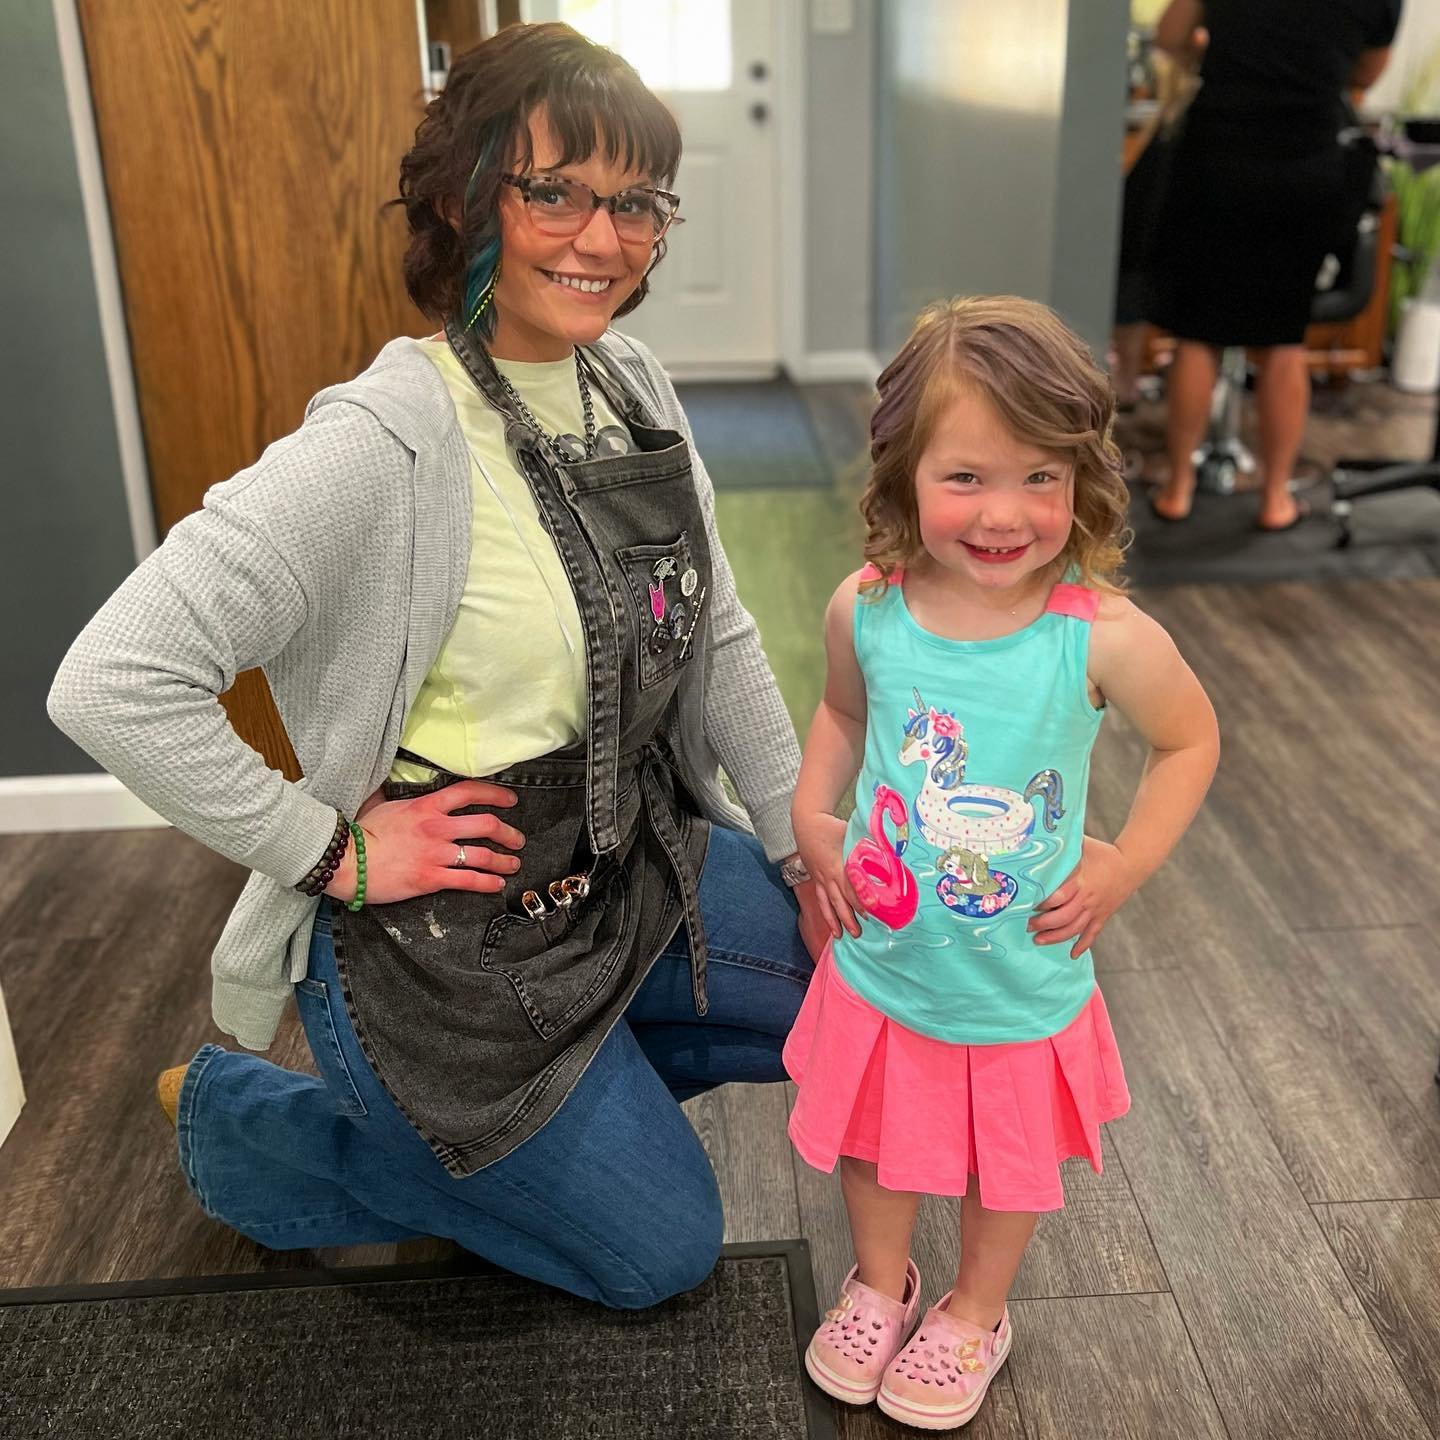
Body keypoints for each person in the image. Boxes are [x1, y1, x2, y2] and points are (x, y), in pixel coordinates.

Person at [48, 23, 831, 1309]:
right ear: (468, 197)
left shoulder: (631, 384)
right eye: (555, 191)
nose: (602, 235)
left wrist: (804, 848)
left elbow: (721, 634)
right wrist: (336, 851)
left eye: (635, 201)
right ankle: (248, 1122)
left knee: (849, 987)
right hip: (446, 946)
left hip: (626, 862)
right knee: (662, 1254)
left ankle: (544, 1139)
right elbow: (113, 679)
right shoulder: (384, 438)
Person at [785, 297, 1220, 1430]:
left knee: (1001, 1161)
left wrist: (1122, 865)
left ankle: (977, 1308)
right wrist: (807, 807)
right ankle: (881, 1284)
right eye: (966, 477)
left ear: (1082, 482)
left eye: (1041, 477)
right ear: (900, 479)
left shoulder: (1099, 636)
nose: (1004, 514)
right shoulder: (868, 610)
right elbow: (840, 714)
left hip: (1020, 977)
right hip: (886, 957)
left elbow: (1191, 739)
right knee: (874, 1137)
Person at [1146, 0, 1400, 529]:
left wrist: (1214, 50)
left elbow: (1169, 36)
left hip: (1218, 155)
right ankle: (1275, 498)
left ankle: (1177, 489)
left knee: (1198, 334)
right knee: (1284, 341)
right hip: (1304, 164)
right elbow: (1365, 73)